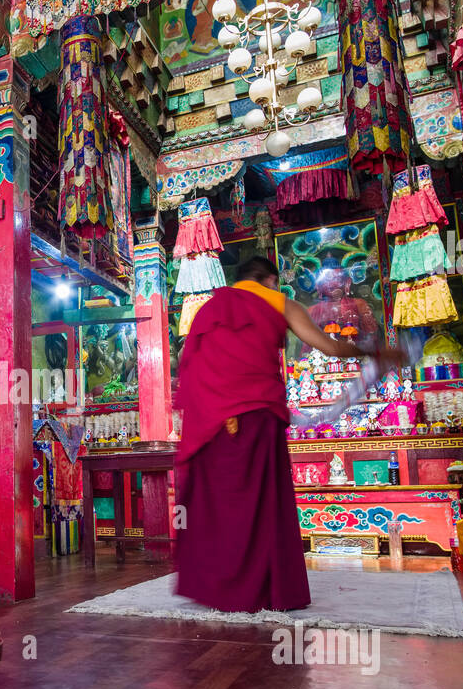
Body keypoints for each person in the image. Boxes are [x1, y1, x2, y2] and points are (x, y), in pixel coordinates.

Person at [173, 255, 404, 613]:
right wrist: (375, 353)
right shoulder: (278, 301)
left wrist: (215, 409)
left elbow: (188, 364)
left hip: (214, 420)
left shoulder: (207, 311)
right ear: (268, 280)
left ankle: (218, 588)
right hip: (257, 413)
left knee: (220, 504)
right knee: (262, 504)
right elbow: (329, 346)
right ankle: (266, 588)